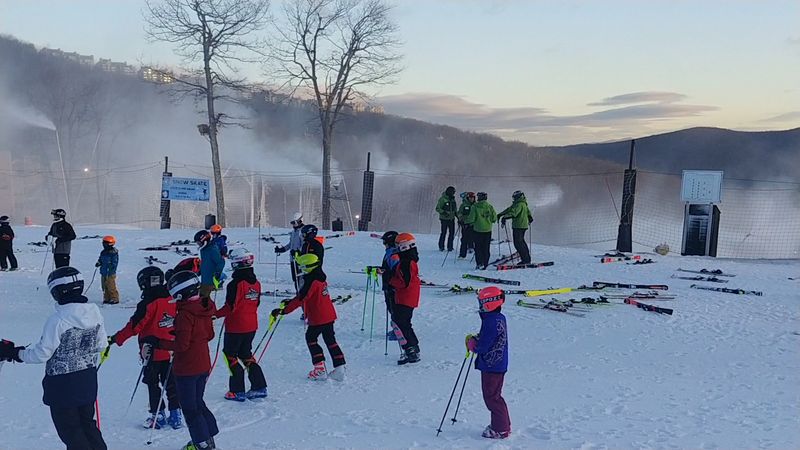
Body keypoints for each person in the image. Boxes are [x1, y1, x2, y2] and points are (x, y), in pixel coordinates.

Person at [0, 267, 108, 450]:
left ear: (58, 292)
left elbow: (41, 353)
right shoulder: (94, 312)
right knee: (88, 425)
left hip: (63, 386)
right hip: (87, 381)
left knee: (71, 431)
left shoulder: (58, 320)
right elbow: (102, 344)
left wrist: (15, 353)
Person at [144, 271, 219, 450]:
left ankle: (201, 444)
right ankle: (208, 438)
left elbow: (182, 346)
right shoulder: (204, 306)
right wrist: (182, 334)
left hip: (187, 367)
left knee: (190, 407)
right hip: (202, 363)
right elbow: (209, 334)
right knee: (198, 401)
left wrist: (159, 343)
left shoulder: (185, 314)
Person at [110, 266, 182, 430]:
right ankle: (176, 413)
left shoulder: (148, 303)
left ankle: (159, 415)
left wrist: (116, 339)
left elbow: (134, 326)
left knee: (153, 384)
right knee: (171, 382)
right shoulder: (172, 298)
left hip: (152, 352)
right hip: (171, 349)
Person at [271, 253, 346, 381]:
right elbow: (305, 297)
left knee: (311, 338)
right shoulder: (319, 276)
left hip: (318, 316)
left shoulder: (311, 281)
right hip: (328, 314)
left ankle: (319, 369)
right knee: (330, 340)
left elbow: (301, 298)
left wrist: (284, 311)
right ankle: (340, 368)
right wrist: (290, 302)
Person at [215, 248, 268, 401]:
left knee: (230, 355)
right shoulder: (256, 283)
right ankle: (259, 386)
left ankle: (237, 390)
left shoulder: (235, 284)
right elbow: (256, 302)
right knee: (246, 354)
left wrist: (214, 315)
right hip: (251, 324)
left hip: (236, 326)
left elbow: (230, 307)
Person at [466, 286, 511, 439]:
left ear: (489, 303)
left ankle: (501, 429)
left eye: (481, 303)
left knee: (492, 398)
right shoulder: (498, 317)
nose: (479, 306)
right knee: (495, 396)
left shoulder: (491, 321)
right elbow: (490, 337)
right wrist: (478, 337)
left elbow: (483, 346)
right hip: (496, 364)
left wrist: (474, 344)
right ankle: (503, 424)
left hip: (492, 366)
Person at [389, 233, 421, 365]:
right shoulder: (409, 260)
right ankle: (412, 347)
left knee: (401, 323)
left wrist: (390, 280)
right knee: (404, 323)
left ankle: (410, 349)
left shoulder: (406, 262)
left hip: (405, 297)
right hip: (408, 296)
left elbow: (404, 282)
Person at [498, 191, 533, 265]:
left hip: (518, 226)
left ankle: (525, 260)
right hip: (522, 226)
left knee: (518, 243)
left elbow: (514, 213)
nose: (513, 198)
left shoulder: (519, 204)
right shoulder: (522, 203)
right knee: (521, 242)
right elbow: (510, 209)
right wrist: (501, 214)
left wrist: (505, 217)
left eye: (515, 197)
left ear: (518, 196)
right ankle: (527, 258)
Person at [465, 192, 497, 270]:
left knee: (478, 248)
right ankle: (485, 263)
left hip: (478, 230)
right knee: (486, 247)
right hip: (488, 230)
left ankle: (479, 263)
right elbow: (494, 219)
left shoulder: (475, 207)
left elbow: (471, 218)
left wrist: (466, 222)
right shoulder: (490, 207)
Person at [380, 231, 401, 342]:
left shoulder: (393, 254)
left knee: (394, 309)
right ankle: (395, 329)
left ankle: (398, 331)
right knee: (391, 308)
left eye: (385, 242)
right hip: (388, 284)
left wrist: (387, 275)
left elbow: (395, 270)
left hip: (391, 286)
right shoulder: (389, 252)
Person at [274, 212, 304, 289]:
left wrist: (297, 251)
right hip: (292, 259)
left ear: (300, 221)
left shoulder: (303, 231)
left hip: (300, 260)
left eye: (294, 223)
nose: (293, 225)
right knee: (295, 278)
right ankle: (298, 293)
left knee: (300, 278)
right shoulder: (293, 232)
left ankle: (302, 294)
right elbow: (291, 244)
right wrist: (282, 249)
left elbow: (304, 245)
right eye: (292, 223)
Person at [194, 230, 225, 303]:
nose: (198, 245)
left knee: (203, 299)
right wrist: (200, 271)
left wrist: (217, 273)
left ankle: (208, 312)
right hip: (204, 279)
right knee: (202, 298)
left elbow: (221, 262)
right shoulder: (204, 250)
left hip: (210, 281)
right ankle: (207, 311)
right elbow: (205, 263)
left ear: (204, 240)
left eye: (199, 243)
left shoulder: (212, 249)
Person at [95, 235, 120, 304]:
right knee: (104, 286)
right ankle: (107, 298)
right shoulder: (103, 252)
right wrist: (99, 263)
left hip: (110, 273)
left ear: (110, 244)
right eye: (103, 243)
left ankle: (114, 298)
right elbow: (100, 259)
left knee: (111, 286)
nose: (104, 244)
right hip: (103, 272)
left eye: (105, 243)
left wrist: (111, 267)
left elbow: (115, 262)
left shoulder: (113, 253)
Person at [435, 186, 458, 252]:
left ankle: (450, 247)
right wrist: (443, 212)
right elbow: (437, 208)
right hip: (444, 219)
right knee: (443, 233)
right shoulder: (442, 199)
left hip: (452, 218)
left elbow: (455, 209)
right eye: (453, 192)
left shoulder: (453, 199)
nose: (453, 193)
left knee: (452, 233)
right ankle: (441, 246)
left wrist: (458, 217)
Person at [457, 192, 476, 259]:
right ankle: (462, 254)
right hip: (465, 225)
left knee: (474, 238)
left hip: (474, 225)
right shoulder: (464, 205)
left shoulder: (476, 205)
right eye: (470, 198)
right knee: (464, 239)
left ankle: (473, 250)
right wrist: (461, 220)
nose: (472, 199)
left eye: (473, 198)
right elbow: (459, 213)